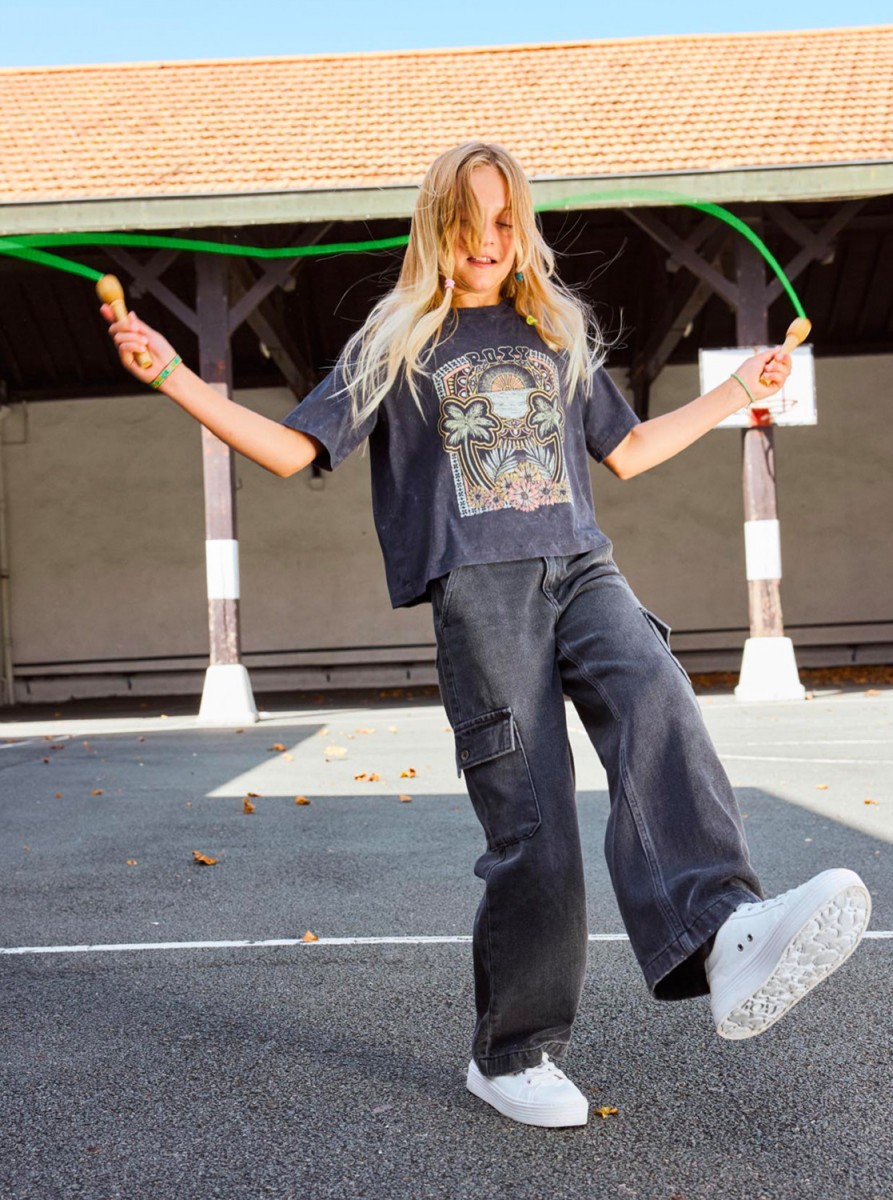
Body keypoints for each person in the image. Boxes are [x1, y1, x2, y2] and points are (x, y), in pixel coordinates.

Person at [103, 141, 872, 1130]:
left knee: (653, 688)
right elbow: (292, 450)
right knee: (534, 825)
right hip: (479, 591)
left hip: (581, 564)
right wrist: (175, 378)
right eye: (468, 221)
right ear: (437, 227)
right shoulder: (395, 342)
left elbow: (629, 450)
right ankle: (511, 1053)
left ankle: (722, 931)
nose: (487, 239)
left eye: (504, 220)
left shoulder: (554, 332)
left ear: (523, 228)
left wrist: (737, 392)